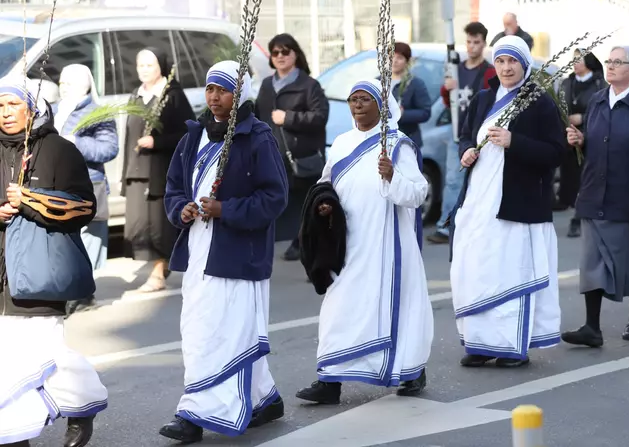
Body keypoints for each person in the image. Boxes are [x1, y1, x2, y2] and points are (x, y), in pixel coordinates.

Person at [159, 61, 289, 442]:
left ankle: (198, 412)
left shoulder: (257, 137)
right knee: (201, 326)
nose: (214, 98)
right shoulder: (193, 136)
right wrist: (180, 207)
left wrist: (225, 209)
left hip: (236, 253)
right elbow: (173, 187)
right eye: (210, 89)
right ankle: (264, 398)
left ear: (240, 94)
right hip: (199, 249)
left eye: (223, 90)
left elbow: (275, 197)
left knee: (220, 332)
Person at [295, 79, 433, 404]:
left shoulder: (399, 145)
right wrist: (324, 204)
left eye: (365, 99)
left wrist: (391, 176)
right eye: (353, 99)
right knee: (338, 307)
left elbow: (417, 193)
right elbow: (325, 183)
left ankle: (411, 370)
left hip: (388, 244)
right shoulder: (342, 143)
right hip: (347, 241)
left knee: (395, 306)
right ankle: (329, 381)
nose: (357, 105)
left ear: (382, 106)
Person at [0, 76, 107, 447]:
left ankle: (80, 405)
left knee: (39, 354)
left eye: (13, 104)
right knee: (9, 358)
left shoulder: (60, 150)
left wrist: (29, 200)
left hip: (39, 270)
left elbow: (83, 207)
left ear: (32, 108)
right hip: (1, 273)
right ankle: (16, 433)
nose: (5, 113)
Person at [450, 35, 565, 368]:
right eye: (500, 61)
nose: (506, 67)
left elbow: (555, 153)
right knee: (476, 268)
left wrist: (515, 141)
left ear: (525, 64)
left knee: (509, 272)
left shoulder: (539, 102)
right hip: (478, 200)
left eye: (512, 61)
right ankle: (480, 343)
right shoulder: (484, 98)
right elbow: (465, 136)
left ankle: (512, 346)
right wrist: (466, 152)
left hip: (516, 203)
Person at [562, 46, 629, 347]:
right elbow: (597, 142)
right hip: (596, 193)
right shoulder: (598, 99)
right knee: (592, 260)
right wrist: (580, 139)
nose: (609, 66)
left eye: (618, 62)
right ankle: (591, 328)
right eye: (608, 61)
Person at [123, 48, 195, 293]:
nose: (143, 70)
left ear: (161, 68)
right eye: (140, 65)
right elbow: (128, 137)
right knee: (139, 224)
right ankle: (160, 267)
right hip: (137, 170)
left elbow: (188, 132)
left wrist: (158, 142)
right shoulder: (136, 95)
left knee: (159, 225)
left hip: (160, 169)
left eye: (149, 65)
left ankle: (158, 273)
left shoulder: (171, 95)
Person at [255, 33, 329, 262]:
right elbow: (259, 116)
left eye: (285, 51)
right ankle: (294, 240)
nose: (280, 56)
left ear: (295, 54)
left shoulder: (309, 85)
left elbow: (320, 117)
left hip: (302, 156)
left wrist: (288, 118)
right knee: (279, 202)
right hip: (273, 156)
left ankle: (307, 245)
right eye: (275, 52)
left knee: (306, 204)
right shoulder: (267, 85)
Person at [54, 64, 119, 314]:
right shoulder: (55, 109)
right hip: (58, 183)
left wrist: (76, 142)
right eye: (61, 82)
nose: (63, 87)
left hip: (87, 183)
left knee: (86, 240)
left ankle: (82, 293)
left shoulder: (97, 112)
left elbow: (109, 149)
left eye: (68, 83)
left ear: (84, 85)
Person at [429, 21, 496, 244]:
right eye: (468, 42)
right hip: (458, 132)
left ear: (483, 43)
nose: (472, 46)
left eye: (476, 42)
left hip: (481, 134)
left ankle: (477, 224)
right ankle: (446, 225)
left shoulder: (489, 72)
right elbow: (450, 104)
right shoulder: (456, 69)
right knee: (453, 180)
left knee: (481, 180)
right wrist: (446, 88)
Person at [556, 49, 606, 238]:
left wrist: (582, 118)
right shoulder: (567, 82)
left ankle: (580, 218)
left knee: (589, 179)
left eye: (579, 60)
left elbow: (603, 110)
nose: (575, 64)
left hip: (592, 136)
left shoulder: (599, 83)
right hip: (570, 138)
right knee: (572, 180)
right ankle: (576, 210)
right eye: (573, 60)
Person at [391, 42, 433, 147]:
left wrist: (403, 114)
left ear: (407, 61)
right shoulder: (378, 82)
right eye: (391, 56)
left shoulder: (415, 83)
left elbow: (425, 112)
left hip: (407, 141)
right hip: (384, 140)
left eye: (399, 58)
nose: (394, 61)